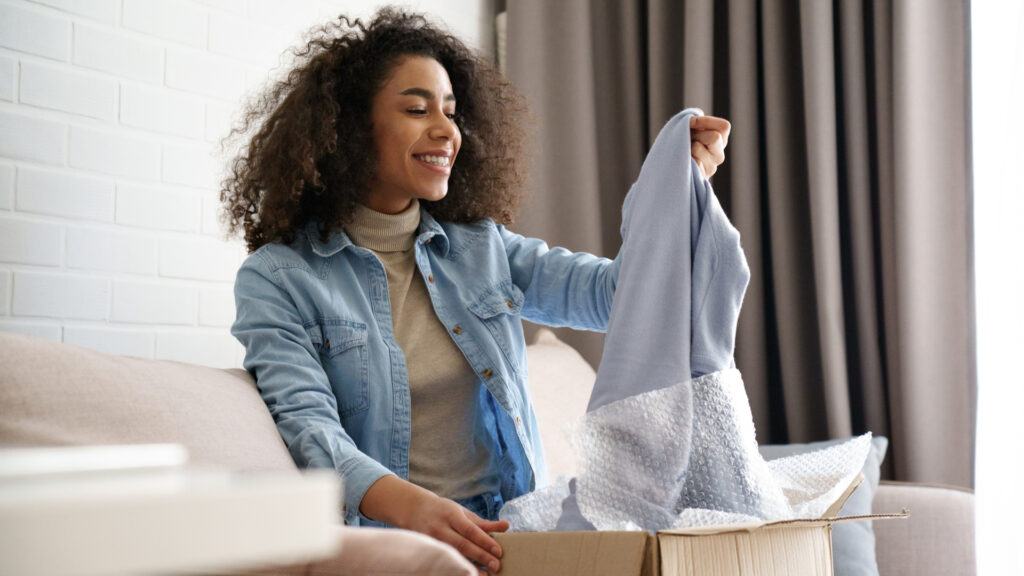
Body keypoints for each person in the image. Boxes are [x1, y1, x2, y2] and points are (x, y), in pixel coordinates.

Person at [222, 8, 730, 573]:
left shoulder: (482, 248)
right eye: (417, 109)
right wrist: (417, 509)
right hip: (397, 545)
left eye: (452, 111)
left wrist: (671, 189)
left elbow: (618, 298)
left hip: (517, 533)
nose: (447, 130)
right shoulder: (278, 278)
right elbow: (309, 428)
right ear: (348, 128)